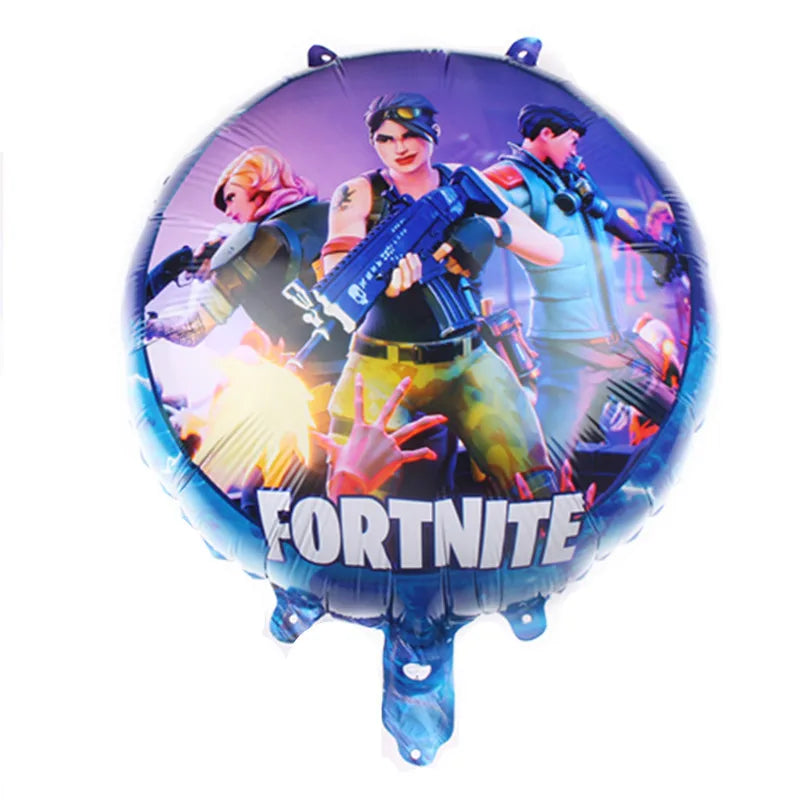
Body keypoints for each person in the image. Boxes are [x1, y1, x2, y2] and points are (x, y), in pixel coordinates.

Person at [322, 93, 565, 499]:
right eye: (386, 139)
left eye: (410, 135)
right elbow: (338, 268)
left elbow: (551, 250)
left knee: (536, 490)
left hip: (466, 360)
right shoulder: (359, 193)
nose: (399, 148)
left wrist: (493, 230)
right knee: (354, 498)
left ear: (433, 133)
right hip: (380, 367)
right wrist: (383, 283)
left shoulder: (463, 182)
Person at [485, 105, 678, 475]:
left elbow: (605, 214)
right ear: (546, 134)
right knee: (543, 469)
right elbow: (478, 210)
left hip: (609, 345)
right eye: (571, 141)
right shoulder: (513, 181)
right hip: (568, 355)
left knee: (678, 419)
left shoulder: (570, 175)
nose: (575, 150)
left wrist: (650, 249)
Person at [146, 145, 346, 372]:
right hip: (361, 356)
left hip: (313, 372)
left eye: (231, 197)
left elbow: (191, 332)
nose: (228, 211)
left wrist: (150, 326)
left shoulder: (255, 245)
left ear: (259, 185)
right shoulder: (334, 211)